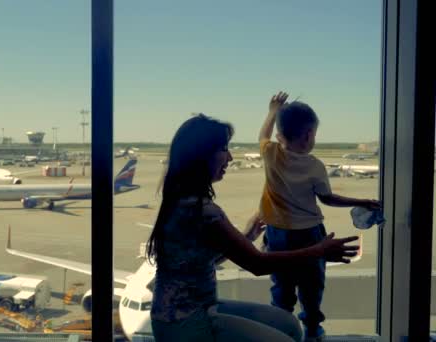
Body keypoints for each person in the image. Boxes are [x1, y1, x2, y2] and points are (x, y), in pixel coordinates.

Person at [147, 113, 360, 342]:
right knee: (289, 334)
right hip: (186, 322)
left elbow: (199, 259)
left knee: (288, 323)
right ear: (201, 156)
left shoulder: (181, 199)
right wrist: (320, 250)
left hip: (189, 309)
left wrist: (247, 236)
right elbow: (257, 264)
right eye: (223, 149)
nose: (229, 158)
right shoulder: (202, 211)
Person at [258, 92, 380, 341]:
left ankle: (281, 327)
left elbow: (262, 136)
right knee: (311, 285)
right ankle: (312, 328)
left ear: (280, 135)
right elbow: (328, 199)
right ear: (309, 135)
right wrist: (363, 201)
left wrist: (272, 111)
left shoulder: (271, 155)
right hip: (309, 234)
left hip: (278, 234)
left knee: (282, 285)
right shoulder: (315, 166)